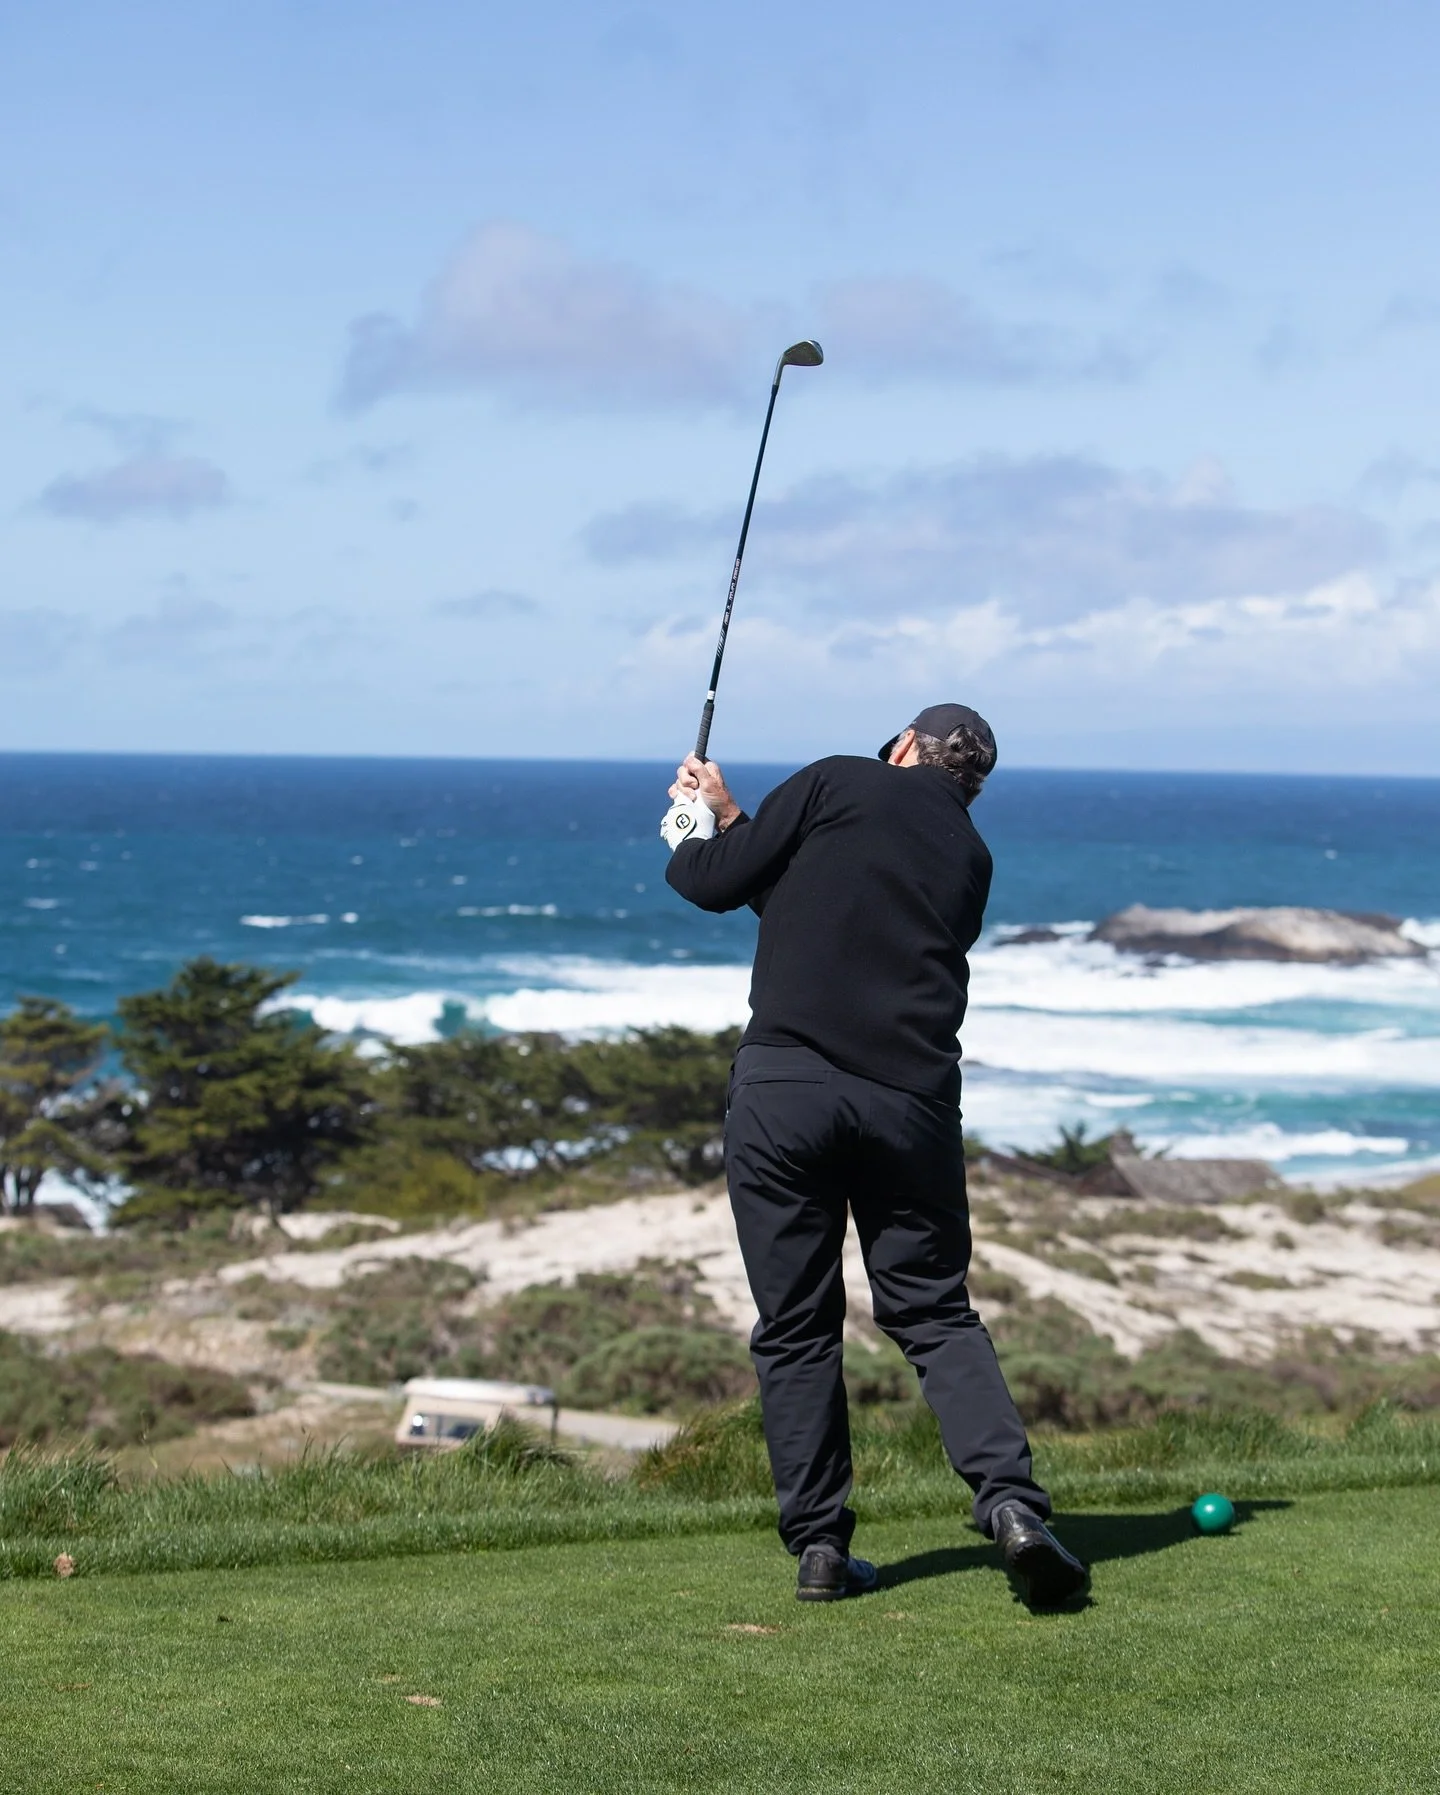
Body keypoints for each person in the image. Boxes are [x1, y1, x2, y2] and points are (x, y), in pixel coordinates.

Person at [663, 703, 1088, 1608]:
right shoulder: (970, 856)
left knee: (798, 1323)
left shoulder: (838, 777)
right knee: (934, 1313)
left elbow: (713, 884)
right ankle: (1011, 1505)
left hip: (785, 1093)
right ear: (967, 782)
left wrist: (695, 827)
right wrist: (736, 819)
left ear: (900, 747)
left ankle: (819, 1546)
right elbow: (826, 909)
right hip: (910, 1106)